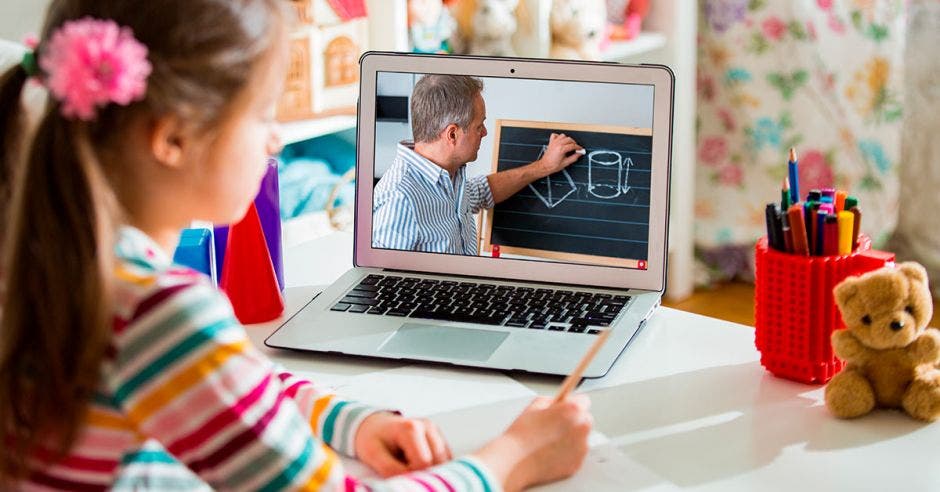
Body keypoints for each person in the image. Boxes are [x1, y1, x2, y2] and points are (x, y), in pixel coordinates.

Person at [0, 1, 592, 490]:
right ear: (173, 137)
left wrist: (348, 422)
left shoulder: (50, 260)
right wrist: (512, 458)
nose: (277, 138)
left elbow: (234, 382)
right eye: (262, 114)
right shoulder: (157, 310)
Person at [373, 74, 583, 255]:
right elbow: (382, 288)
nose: (484, 132)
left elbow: (482, 192)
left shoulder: (448, 174)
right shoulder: (399, 200)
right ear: (452, 134)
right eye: (479, 125)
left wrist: (544, 166)